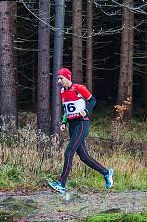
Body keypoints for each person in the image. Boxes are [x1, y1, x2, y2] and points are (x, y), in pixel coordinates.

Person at [48, 67, 114, 195]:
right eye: (58, 78)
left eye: (60, 78)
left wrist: (87, 110)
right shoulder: (62, 91)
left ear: (67, 77)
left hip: (82, 123)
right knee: (84, 157)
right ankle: (107, 172)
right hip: (72, 125)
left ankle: (61, 184)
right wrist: (64, 122)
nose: (58, 81)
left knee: (69, 152)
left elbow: (92, 100)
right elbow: (67, 109)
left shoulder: (79, 88)